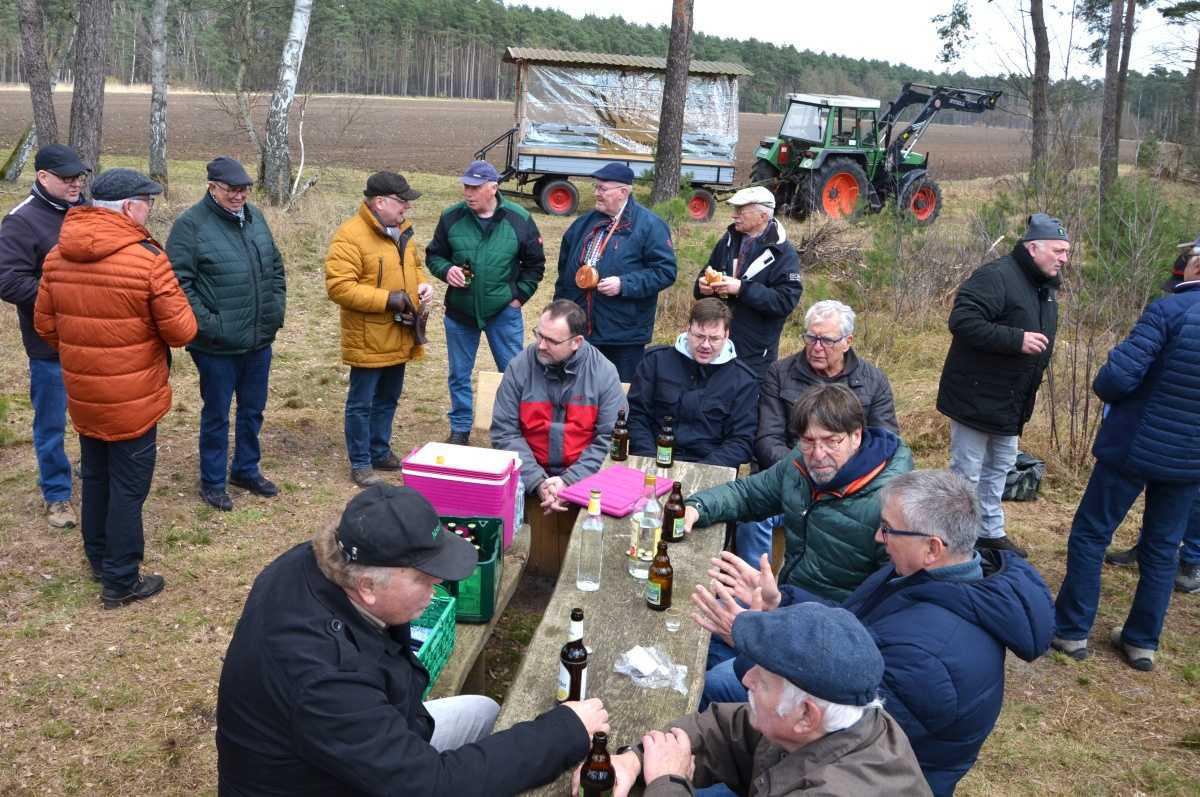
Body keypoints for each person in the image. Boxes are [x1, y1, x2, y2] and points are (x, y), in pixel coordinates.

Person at [216, 484, 609, 795]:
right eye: (424, 578)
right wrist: (566, 731)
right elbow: (431, 785)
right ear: (368, 586)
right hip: (318, 783)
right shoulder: (324, 680)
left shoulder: (322, 560)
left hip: (342, 752)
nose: (439, 584)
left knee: (484, 711)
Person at [695, 470, 1055, 796]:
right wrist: (779, 604)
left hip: (849, 772)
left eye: (889, 529)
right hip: (821, 731)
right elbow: (849, 625)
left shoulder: (930, 656)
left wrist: (754, 643)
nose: (878, 537)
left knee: (708, 696)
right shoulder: (921, 577)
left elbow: (833, 711)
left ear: (933, 548)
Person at [33, 168, 196, 608]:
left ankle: (98, 558)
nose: (151, 211)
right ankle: (121, 580)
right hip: (134, 397)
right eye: (149, 202)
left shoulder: (56, 255)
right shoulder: (146, 260)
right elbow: (181, 330)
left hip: (85, 393)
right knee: (128, 488)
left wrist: (87, 356)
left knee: (98, 476)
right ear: (129, 207)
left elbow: (45, 326)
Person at [596, 602, 932, 797]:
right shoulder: (827, 725)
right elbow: (728, 731)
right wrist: (635, 760)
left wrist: (667, 783)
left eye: (765, 681)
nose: (746, 678)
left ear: (805, 715)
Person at [1052, 250, 1200, 671]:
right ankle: (1141, 642)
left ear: (1194, 268)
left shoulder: (1169, 310)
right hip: (1190, 460)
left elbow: (1116, 378)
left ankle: (1072, 630)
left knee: (1091, 533)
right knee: (1163, 547)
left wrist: (1113, 383)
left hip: (1135, 447)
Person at [936, 212, 1068, 559]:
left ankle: (990, 531)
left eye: (1066, 252)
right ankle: (958, 539)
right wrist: (1016, 340)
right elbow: (962, 321)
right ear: (1033, 247)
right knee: (967, 471)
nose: (1064, 258)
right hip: (975, 396)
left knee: (1000, 468)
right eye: (1058, 251)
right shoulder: (997, 276)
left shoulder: (1045, 287)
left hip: (1011, 400)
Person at [167, 156, 286, 512]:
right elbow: (177, 282)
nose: (238, 196)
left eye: (244, 189)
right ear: (211, 187)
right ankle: (213, 481)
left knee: (253, 410)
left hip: (257, 339)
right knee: (217, 413)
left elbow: (276, 267)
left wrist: (274, 311)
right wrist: (210, 324)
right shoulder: (190, 225)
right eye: (231, 189)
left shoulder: (256, 218)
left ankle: (246, 470)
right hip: (215, 345)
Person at [740, 299, 899, 566]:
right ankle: (751, 594)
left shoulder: (873, 381)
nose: (816, 347)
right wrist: (805, 474)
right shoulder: (780, 373)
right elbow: (767, 439)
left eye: (826, 340)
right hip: (790, 480)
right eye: (811, 337)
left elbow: (885, 444)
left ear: (847, 341)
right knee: (752, 518)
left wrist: (842, 480)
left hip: (851, 489)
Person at [1103, 236, 1200, 595]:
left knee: (1190, 505)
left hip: (1181, 441)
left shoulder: (1170, 311)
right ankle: (1150, 547)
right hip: (1166, 435)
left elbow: (1115, 378)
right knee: (1163, 533)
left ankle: (1192, 560)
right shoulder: (1176, 306)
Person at [0, 144, 89, 530]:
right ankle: (56, 494)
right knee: (51, 423)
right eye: (67, 178)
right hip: (49, 345)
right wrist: (61, 296)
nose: (75, 183)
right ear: (42, 177)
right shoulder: (21, 221)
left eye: (78, 177)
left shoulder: (88, 210)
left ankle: (93, 469)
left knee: (93, 412)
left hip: (93, 338)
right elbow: (7, 279)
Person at [427, 159, 545, 445]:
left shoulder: (518, 219)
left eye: (475, 187)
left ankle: (511, 429)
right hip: (460, 312)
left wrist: (518, 298)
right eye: (466, 186)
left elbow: (535, 265)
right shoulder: (451, 217)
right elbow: (434, 255)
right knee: (459, 373)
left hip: (503, 312)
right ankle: (460, 428)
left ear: (493, 188)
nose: (468, 193)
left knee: (513, 372)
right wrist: (446, 270)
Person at [326, 171, 433, 487]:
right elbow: (339, 288)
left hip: (400, 332)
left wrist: (423, 285)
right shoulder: (350, 236)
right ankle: (360, 463)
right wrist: (388, 300)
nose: (406, 208)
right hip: (368, 337)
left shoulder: (401, 231)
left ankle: (379, 450)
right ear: (380, 201)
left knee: (388, 397)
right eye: (402, 202)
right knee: (361, 404)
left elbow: (412, 265)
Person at [490, 300, 626, 515]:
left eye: (551, 340)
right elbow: (505, 432)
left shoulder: (603, 373)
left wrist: (570, 480)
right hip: (527, 473)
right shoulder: (520, 366)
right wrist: (537, 481)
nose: (541, 345)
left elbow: (611, 439)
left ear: (576, 342)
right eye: (539, 335)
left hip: (586, 478)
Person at [553, 163, 677, 381]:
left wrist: (624, 284)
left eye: (602, 189)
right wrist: (560, 314)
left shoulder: (650, 226)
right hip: (581, 331)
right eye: (596, 188)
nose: (596, 194)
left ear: (623, 192)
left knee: (619, 396)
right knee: (578, 393)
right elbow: (564, 273)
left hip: (623, 335)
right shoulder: (583, 224)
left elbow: (665, 271)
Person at [626, 298, 758, 469]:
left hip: (711, 467)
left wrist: (701, 471)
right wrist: (650, 461)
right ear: (688, 329)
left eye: (714, 339)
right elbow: (636, 416)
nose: (705, 345)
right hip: (652, 459)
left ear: (726, 335)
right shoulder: (655, 361)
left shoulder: (744, 380)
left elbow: (742, 440)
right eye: (699, 336)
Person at [693, 185, 802, 379]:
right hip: (716, 343)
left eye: (741, 211)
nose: (734, 216)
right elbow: (707, 272)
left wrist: (742, 289)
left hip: (755, 353)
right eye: (734, 210)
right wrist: (702, 287)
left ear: (763, 216)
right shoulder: (728, 240)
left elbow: (785, 301)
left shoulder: (784, 253)